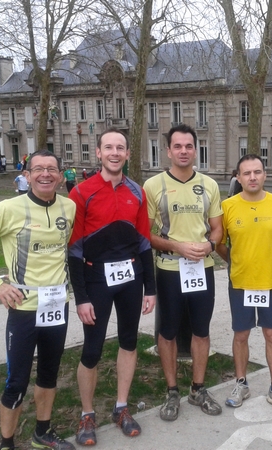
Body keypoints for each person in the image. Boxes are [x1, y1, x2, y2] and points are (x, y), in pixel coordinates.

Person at [0, 150, 76, 450]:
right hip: (23, 310)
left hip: (56, 306)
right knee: (16, 381)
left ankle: (42, 433)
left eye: (52, 169)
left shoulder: (69, 207)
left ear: (61, 176)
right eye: (38, 169)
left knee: (50, 373)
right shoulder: (9, 208)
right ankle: (6, 443)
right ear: (26, 175)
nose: (45, 174)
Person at [68, 128, 156, 445]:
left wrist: (150, 288)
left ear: (128, 154)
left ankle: (121, 407)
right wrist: (80, 297)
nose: (115, 153)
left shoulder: (138, 192)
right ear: (99, 153)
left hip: (130, 278)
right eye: (109, 147)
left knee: (129, 341)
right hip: (96, 279)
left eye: (120, 147)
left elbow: (145, 242)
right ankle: (87, 414)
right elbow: (74, 249)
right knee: (92, 349)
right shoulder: (81, 192)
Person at [143, 124, 223, 422]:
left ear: (196, 149)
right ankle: (173, 390)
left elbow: (217, 228)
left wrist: (210, 244)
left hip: (203, 269)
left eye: (189, 146)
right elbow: (147, 233)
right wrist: (177, 247)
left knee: (201, 331)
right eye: (178, 146)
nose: (184, 151)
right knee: (168, 332)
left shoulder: (210, 185)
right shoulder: (154, 186)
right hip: (169, 269)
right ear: (168, 151)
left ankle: (198, 389)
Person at [216, 154, 272, 415]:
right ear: (238, 178)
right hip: (240, 282)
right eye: (246, 173)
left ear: (265, 175)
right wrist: (237, 260)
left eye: (257, 172)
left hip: (269, 282)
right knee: (241, 335)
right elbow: (219, 243)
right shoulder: (227, 206)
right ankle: (241, 384)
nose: (252, 177)